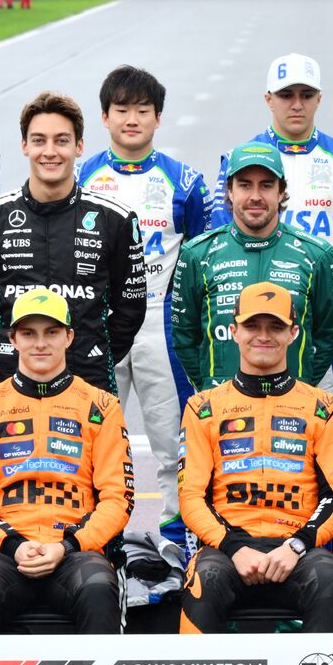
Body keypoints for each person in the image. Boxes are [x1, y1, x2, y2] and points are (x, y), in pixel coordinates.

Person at [78, 65, 214, 556]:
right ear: (104, 117)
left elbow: (203, 259)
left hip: (162, 325)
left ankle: (177, 538)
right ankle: (90, 535)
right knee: (90, 437)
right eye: (121, 110)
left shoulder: (186, 181)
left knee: (170, 441)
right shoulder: (81, 176)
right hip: (98, 325)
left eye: (142, 110)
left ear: (158, 118)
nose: (131, 119)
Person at [0, 288, 132, 635]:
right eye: (29, 333)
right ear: (13, 339)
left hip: (75, 552)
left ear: (69, 336)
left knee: (98, 586)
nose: (40, 344)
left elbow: (117, 497)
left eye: (51, 332)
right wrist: (12, 546)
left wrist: (67, 546)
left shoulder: (102, 406)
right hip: (6, 553)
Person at [176, 283, 333, 634]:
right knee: (204, 577)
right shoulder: (203, 408)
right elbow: (191, 497)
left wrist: (297, 545)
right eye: (252, 326)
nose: (263, 336)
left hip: (297, 547)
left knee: (329, 577)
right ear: (233, 331)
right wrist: (234, 547)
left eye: (275, 327)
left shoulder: (325, 408)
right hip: (225, 550)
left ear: (294, 332)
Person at [0, 91, 146, 392]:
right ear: (24, 146)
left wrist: (92, 350)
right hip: (13, 381)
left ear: (79, 147)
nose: (50, 151)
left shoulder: (116, 219)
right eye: (39, 140)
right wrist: (10, 352)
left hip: (91, 380)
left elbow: (131, 308)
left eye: (62, 141)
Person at [211, 54, 333, 394]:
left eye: (306, 95)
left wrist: (317, 298)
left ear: (319, 99)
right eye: (286, 95)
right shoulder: (238, 159)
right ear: (268, 99)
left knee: (319, 414)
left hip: (316, 311)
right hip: (251, 316)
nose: (297, 104)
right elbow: (220, 242)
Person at [173, 142, 333, 392]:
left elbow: (327, 336)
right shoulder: (196, 254)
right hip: (222, 407)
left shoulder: (317, 254)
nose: (255, 196)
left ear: (281, 191)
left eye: (266, 185)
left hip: (293, 405)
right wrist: (212, 389)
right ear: (229, 190)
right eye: (244, 185)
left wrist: (299, 387)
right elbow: (185, 338)